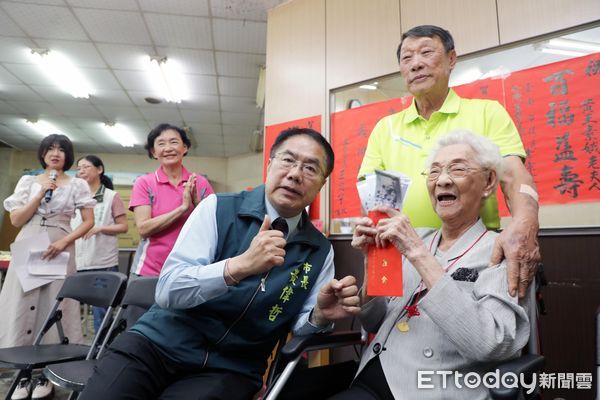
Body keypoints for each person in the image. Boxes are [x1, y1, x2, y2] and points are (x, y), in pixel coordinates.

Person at [80, 128, 361, 400]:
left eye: (311, 168)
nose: (295, 174)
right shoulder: (218, 208)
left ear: (322, 184)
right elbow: (168, 290)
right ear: (270, 163)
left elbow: (301, 326)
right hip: (158, 344)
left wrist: (320, 316)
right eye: (288, 160)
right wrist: (239, 266)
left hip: (231, 368)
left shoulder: (319, 250)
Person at [337, 131, 532, 399]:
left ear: (488, 182)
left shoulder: (500, 249)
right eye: (434, 172)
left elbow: (489, 343)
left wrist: (416, 252)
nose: (442, 180)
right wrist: (372, 260)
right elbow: (373, 321)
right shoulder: (419, 239)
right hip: (370, 375)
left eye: (458, 169)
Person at [358, 25, 540, 298]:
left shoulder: (486, 112)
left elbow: (515, 176)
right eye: (406, 58)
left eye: (426, 53)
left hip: (472, 254)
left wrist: (525, 224)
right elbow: (378, 205)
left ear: (451, 59)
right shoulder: (387, 129)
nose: (416, 64)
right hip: (403, 260)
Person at [0, 134, 95, 400]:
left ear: (68, 155)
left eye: (61, 149)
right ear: (42, 153)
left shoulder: (78, 184)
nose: (55, 153)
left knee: (55, 307)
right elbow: (17, 219)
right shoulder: (28, 181)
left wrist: (64, 242)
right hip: (29, 241)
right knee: (21, 304)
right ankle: (22, 375)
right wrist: (40, 193)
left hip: (59, 245)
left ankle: (47, 373)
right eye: (50, 148)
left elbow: (88, 221)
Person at [129, 123, 214, 276]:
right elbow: (143, 229)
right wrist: (182, 208)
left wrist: (197, 205)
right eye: (161, 144)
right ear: (154, 152)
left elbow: (213, 227)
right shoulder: (144, 183)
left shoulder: (200, 183)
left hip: (190, 269)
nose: (168, 148)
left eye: (174, 142)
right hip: (150, 271)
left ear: (185, 148)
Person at [73, 155, 128, 333]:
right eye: (79, 168)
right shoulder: (73, 196)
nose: (81, 171)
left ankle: (100, 350)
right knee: (69, 308)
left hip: (102, 263)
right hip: (75, 260)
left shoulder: (112, 196)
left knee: (101, 313)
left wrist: (99, 228)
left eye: (86, 167)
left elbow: (124, 226)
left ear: (99, 169)